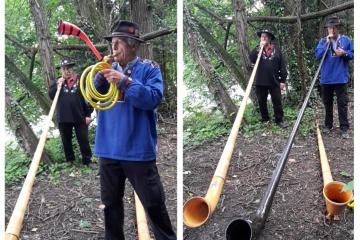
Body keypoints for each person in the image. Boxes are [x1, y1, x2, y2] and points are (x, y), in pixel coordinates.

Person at [92, 20, 176, 240]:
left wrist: (125, 82)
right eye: (113, 43)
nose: (114, 48)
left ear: (133, 46)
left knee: (154, 204)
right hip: (108, 150)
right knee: (110, 206)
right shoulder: (105, 70)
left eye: (119, 43)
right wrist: (99, 79)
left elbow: (152, 99)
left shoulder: (149, 69)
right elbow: (89, 99)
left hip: (138, 151)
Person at [48, 59, 94, 166]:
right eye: (64, 69)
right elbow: (51, 95)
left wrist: (88, 115)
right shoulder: (58, 82)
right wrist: (57, 84)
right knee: (66, 141)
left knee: (83, 140)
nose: (66, 71)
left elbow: (89, 99)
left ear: (72, 69)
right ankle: (70, 161)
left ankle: (87, 161)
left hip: (80, 116)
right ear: (61, 70)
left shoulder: (81, 81)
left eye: (68, 68)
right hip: (63, 117)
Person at [315, 16, 354, 139]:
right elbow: (318, 55)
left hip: (340, 78)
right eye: (329, 28)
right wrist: (326, 42)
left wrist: (344, 53)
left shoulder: (346, 40)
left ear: (337, 28)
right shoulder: (323, 41)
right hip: (326, 78)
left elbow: (353, 54)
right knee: (327, 103)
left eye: (333, 28)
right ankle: (328, 125)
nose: (331, 30)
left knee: (342, 103)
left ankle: (344, 128)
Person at [249, 26, 287, 128]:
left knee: (277, 101)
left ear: (270, 38)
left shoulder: (277, 50)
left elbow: (282, 65)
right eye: (262, 36)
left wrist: (282, 80)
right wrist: (258, 49)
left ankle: (279, 120)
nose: (263, 38)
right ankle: (265, 119)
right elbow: (251, 59)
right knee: (262, 101)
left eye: (265, 36)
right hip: (260, 81)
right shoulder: (257, 49)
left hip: (274, 81)